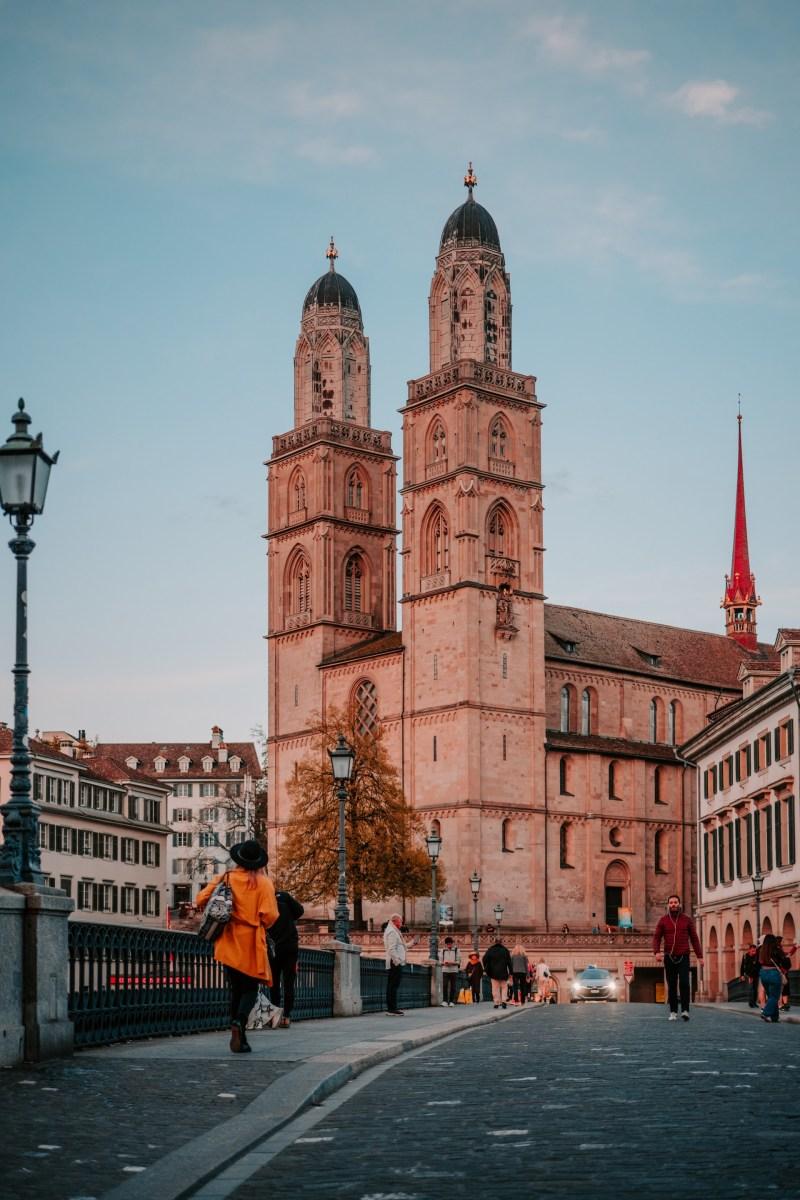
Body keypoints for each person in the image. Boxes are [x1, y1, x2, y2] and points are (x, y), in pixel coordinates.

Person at [195, 839, 278, 1053]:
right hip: (250, 941)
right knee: (250, 988)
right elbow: (270, 916)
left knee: (236, 989)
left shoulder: (227, 877)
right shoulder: (264, 883)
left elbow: (201, 899)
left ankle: (239, 1036)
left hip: (228, 940)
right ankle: (240, 1023)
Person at [652, 894, 703, 1021]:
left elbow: (694, 939)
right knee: (672, 985)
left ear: (679, 904)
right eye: (671, 903)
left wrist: (700, 956)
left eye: (675, 902)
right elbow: (657, 937)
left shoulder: (687, 920)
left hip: (683, 956)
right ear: (668, 905)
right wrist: (656, 952)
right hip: (669, 957)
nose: (673, 904)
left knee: (685, 983)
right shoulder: (663, 920)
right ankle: (673, 1011)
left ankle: (685, 1010)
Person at [267, 889, 304, 1028]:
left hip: (273, 947)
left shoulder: (266, 899)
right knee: (289, 983)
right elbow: (300, 911)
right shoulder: (285, 897)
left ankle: (275, 1017)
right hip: (290, 947)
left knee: (274, 984)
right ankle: (287, 1016)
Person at [759, 933, 791, 1023]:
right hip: (773, 973)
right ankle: (765, 1013)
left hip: (763, 973)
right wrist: (787, 958)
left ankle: (775, 1017)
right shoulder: (776, 950)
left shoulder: (762, 950)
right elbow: (785, 962)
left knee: (771, 996)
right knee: (774, 996)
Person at [383, 913, 411, 1015]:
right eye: (400, 921)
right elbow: (391, 949)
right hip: (394, 962)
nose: (402, 923)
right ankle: (391, 1009)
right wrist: (397, 960)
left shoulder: (394, 931)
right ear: (395, 921)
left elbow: (401, 946)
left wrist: (412, 943)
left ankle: (392, 1008)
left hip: (395, 961)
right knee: (393, 985)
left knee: (393, 985)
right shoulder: (392, 932)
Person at [482, 938, 513, 1009]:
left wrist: (486, 968)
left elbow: (484, 959)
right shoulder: (505, 950)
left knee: (495, 988)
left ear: (495, 942)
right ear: (501, 942)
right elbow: (509, 962)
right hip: (503, 972)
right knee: (504, 987)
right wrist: (511, 972)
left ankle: (496, 1002)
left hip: (493, 972)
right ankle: (504, 1001)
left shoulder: (490, 949)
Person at [439, 936, 461, 1006]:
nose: (449, 945)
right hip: (445, 970)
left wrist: (452, 963)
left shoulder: (457, 950)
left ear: (452, 943)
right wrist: (444, 963)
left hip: (454, 970)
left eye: (450, 943)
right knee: (445, 985)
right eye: (448, 944)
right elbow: (440, 961)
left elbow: (458, 961)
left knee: (453, 986)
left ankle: (452, 1001)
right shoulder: (442, 951)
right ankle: (445, 1001)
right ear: (446, 944)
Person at [739, 943, 761, 1008]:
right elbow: (742, 966)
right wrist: (742, 975)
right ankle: (751, 1003)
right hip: (748, 975)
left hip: (755, 974)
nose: (754, 952)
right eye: (752, 951)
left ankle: (754, 1002)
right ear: (749, 950)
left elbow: (759, 966)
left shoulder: (757, 956)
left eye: (755, 951)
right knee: (751, 989)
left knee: (755, 989)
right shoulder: (745, 956)